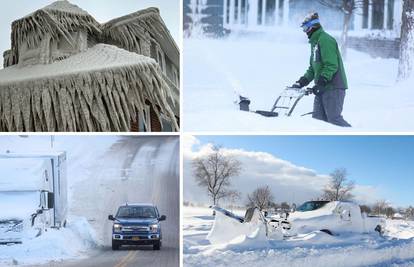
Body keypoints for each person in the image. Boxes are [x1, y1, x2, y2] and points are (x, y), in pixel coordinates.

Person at [292, 13, 351, 127]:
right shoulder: (315, 43)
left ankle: (352, 134)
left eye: (305, 28)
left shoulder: (325, 40)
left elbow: (331, 65)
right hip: (322, 88)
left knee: (334, 120)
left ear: (312, 27)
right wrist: (302, 81)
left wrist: (322, 81)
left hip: (333, 87)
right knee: (318, 122)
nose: (304, 32)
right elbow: (313, 68)